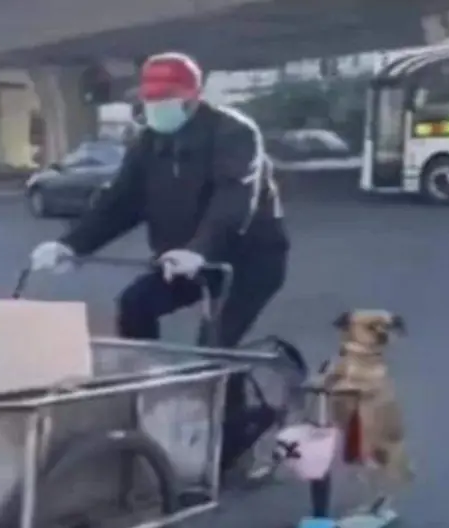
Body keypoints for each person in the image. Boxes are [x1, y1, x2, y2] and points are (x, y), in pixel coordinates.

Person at [29, 51, 290, 476]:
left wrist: (200, 249)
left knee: (214, 343)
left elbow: (233, 198)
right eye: (150, 99)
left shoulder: (234, 133)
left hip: (247, 260)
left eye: (166, 98)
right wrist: (72, 245)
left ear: (193, 96)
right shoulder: (149, 142)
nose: (156, 108)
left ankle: (234, 439)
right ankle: (147, 402)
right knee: (134, 306)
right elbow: (119, 202)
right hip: (181, 260)